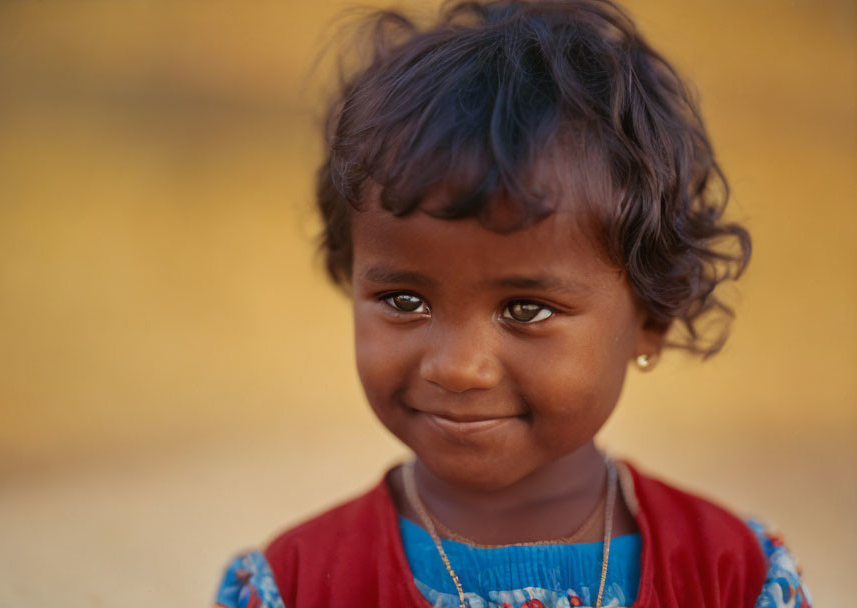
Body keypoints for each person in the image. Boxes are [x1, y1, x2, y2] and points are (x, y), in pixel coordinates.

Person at [213, 1, 811, 606]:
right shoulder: (296, 583)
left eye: (525, 309)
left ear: (650, 317)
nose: (457, 367)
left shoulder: (730, 574)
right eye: (404, 299)